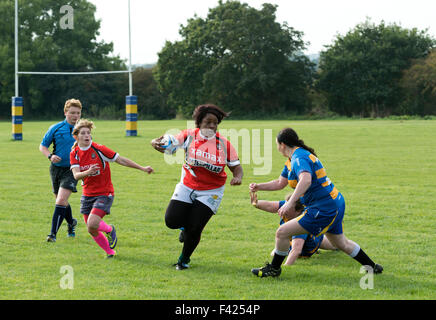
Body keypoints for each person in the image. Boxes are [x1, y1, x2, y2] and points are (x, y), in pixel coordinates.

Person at [250, 127, 383, 277]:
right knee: (340, 243)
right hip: (335, 201)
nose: (277, 148)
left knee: (282, 232)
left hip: (324, 207)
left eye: (277, 145)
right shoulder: (293, 159)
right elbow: (280, 182)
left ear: (282, 144)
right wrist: (259, 186)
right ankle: (373, 266)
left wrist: (290, 203)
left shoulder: (299, 158)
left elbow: (305, 180)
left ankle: (274, 269)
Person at [151, 104, 243, 270]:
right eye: (208, 122)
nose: (212, 126)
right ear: (199, 122)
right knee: (171, 221)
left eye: (215, 123)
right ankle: (183, 228)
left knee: (195, 228)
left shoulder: (224, 144)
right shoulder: (188, 136)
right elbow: (169, 146)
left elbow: (236, 167)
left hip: (212, 190)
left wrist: (238, 177)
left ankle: (184, 260)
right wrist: (157, 144)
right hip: (187, 185)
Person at [70, 119, 154, 258]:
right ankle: (110, 252)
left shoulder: (99, 149)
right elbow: (76, 175)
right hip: (87, 194)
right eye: (83, 133)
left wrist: (142, 168)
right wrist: (87, 172)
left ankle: (109, 229)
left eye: (88, 133)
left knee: (92, 223)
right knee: (91, 228)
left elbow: (121, 160)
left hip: (104, 193)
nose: (86, 136)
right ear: (76, 136)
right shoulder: (75, 153)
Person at [250, 192, 337, 265]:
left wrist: (285, 267)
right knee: (275, 251)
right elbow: (270, 205)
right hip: (312, 237)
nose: (283, 208)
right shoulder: (287, 207)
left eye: (287, 207)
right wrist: (256, 203)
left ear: (298, 211)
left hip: (312, 243)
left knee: (337, 245)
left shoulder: (302, 222)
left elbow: (296, 251)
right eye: (285, 205)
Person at [39, 99, 82, 242]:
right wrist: (50, 156)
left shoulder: (83, 130)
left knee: (61, 199)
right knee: (60, 200)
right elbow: (43, 146)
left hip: (72, 169)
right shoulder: (56, 128)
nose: (75, 116)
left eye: (78, 113)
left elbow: (87, 149)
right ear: (65, 113)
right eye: (72, 113)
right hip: (56, 169)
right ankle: (71, 223)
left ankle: (52, 234)